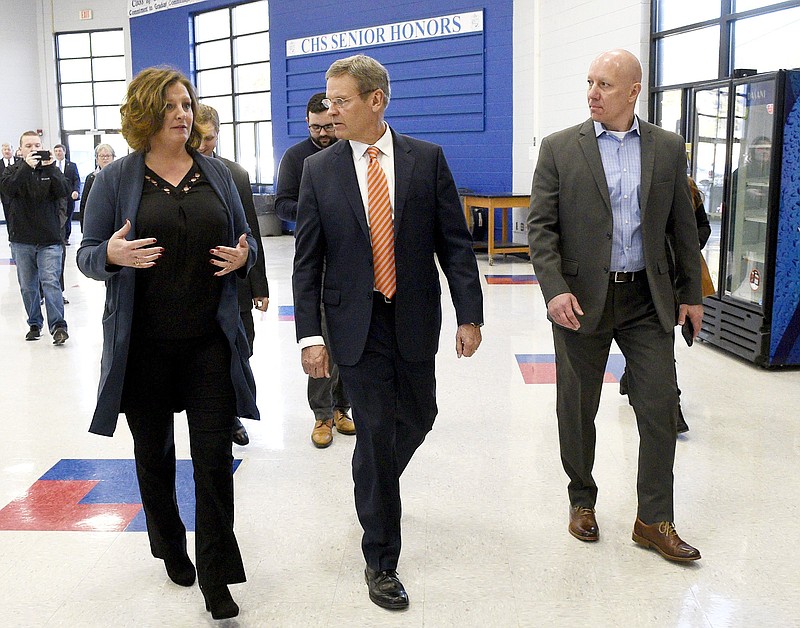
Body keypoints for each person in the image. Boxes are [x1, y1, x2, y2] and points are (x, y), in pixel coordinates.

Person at [292, 54, 484, 609]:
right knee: (375, 431)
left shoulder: (426, 161)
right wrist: (310, 336)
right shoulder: (319, 171)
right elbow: (306, 261)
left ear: (377, 100)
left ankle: (373, 483)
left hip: (413, 316)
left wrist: (469, 315)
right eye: (328, 101)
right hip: (353, 322)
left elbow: (454, 245)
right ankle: (381, 559)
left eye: (342, 100)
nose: (331, 112)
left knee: (420, 416)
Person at [77, 67, 259, 620]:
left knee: (212, 459)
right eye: (172, 106)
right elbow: (86, 254)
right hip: (145, 348)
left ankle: (218, 577)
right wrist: (112, 256)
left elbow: (249, 244)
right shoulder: (115, 180)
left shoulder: (219, 174)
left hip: (209, 342)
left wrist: (244, 258)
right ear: (145, 115)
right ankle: (170, 543)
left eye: (187, 104)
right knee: (153, 456)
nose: (184, 114)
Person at [527, 49, 703, 562]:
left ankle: (653, 519)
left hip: (648, 299)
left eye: (604, 84)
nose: (592, 93)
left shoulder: (667, 148)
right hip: (580, 299)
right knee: (578, 408)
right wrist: (554, 288)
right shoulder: (562, 148)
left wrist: (690, 295)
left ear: (633, 91)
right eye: (589, 83)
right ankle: (581, 500)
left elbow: (682, 229)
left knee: (657, 408)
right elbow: (541, 228)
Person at [275, 92, 355, 448]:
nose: (324, 133)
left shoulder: (350, 149)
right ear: (307, 123)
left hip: (351, 260)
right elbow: (282, 205)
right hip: (316, 258)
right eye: (317, 127)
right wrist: (318, 209)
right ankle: (322, 414)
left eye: (329, 126)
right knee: (320, 336)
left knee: (350, 340)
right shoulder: (296, 158)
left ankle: (343, 407)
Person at [196, 103, 270, 447]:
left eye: (208, 138)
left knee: (242, 350)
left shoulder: (234, 174)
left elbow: (250, 232)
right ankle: (225, 417)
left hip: (235, 284)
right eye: (196, 137)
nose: (201, 145)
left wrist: (259, 284)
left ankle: (232, 409)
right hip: (196, 286)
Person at [619, 175, 711, 434]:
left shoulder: (687, 187)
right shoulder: (634, 185)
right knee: (651, 341)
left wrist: (686, 246)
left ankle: (665, 399)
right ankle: (667, 401)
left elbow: (703, 226)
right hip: (641, 276)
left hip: (672, 274)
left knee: (662, 339)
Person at [0, 132, 70, 344]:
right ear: (20, 150)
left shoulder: (51, 170)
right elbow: (8, 189)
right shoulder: (13, 171)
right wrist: (26, 167)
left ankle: (58, 326)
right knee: (28, 286)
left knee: (50, 282)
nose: (33, 148)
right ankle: (34, 323)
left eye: (37, 144)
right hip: (22, 239)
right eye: (28, 145)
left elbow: (64, 190)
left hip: (49, 239)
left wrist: (50, 167)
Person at [78, 143, 116, 231]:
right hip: (96, 220)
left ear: (113, 158)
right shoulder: (91, 178)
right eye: (102, 156)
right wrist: (83, 225)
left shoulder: (120, 176)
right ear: (97, 159)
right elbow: (84, 202)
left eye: (108, 156)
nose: (105, 159)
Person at [52, 144, 80, 244]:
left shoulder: (72, 165)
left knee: (67, 216)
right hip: (56, 196)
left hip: (69, 195)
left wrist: (76, 191)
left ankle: (66, 236)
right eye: (56, 151)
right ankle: (58, 235)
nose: (58, 153)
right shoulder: (52, 165)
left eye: (60, 151)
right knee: (57, 215)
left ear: (64, 152)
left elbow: (76, 179)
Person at [1, 142, 19, 224]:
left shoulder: (20, 162)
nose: (7, 151)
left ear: (12, 150)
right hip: (6, 197)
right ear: (2, 151)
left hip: (20, 196)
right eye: (4, 150)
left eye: (8, 149)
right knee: (9, 219)